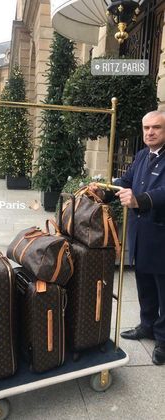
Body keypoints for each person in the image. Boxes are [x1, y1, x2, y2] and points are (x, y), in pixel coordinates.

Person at [89, 110, 165, 365]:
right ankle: (147, 326)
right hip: (140, 233)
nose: (150, 132)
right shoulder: (142, 155)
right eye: (146, 128)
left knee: (163, 290)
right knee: (143, 283)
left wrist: (139, 200)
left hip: (161, 235)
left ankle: (163, 340)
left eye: (156, 127)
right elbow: (126, 180)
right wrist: (105, 191)